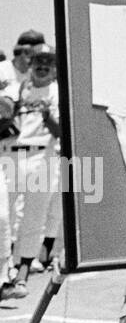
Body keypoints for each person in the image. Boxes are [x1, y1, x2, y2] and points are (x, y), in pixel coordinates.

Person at [0, 43, 61, 300]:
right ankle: (6, 273)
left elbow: (62, 132)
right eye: (38, 60)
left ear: (55, 65)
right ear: (30, 63)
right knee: (4, 217)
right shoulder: (18, 88)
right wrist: (8, 110)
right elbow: (3, 117)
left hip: (43, 156)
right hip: (11, 155)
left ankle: (22, 275)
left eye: (48, 60)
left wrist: (47, 116)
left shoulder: (59, 92)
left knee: (33, 218)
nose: (42, 64)